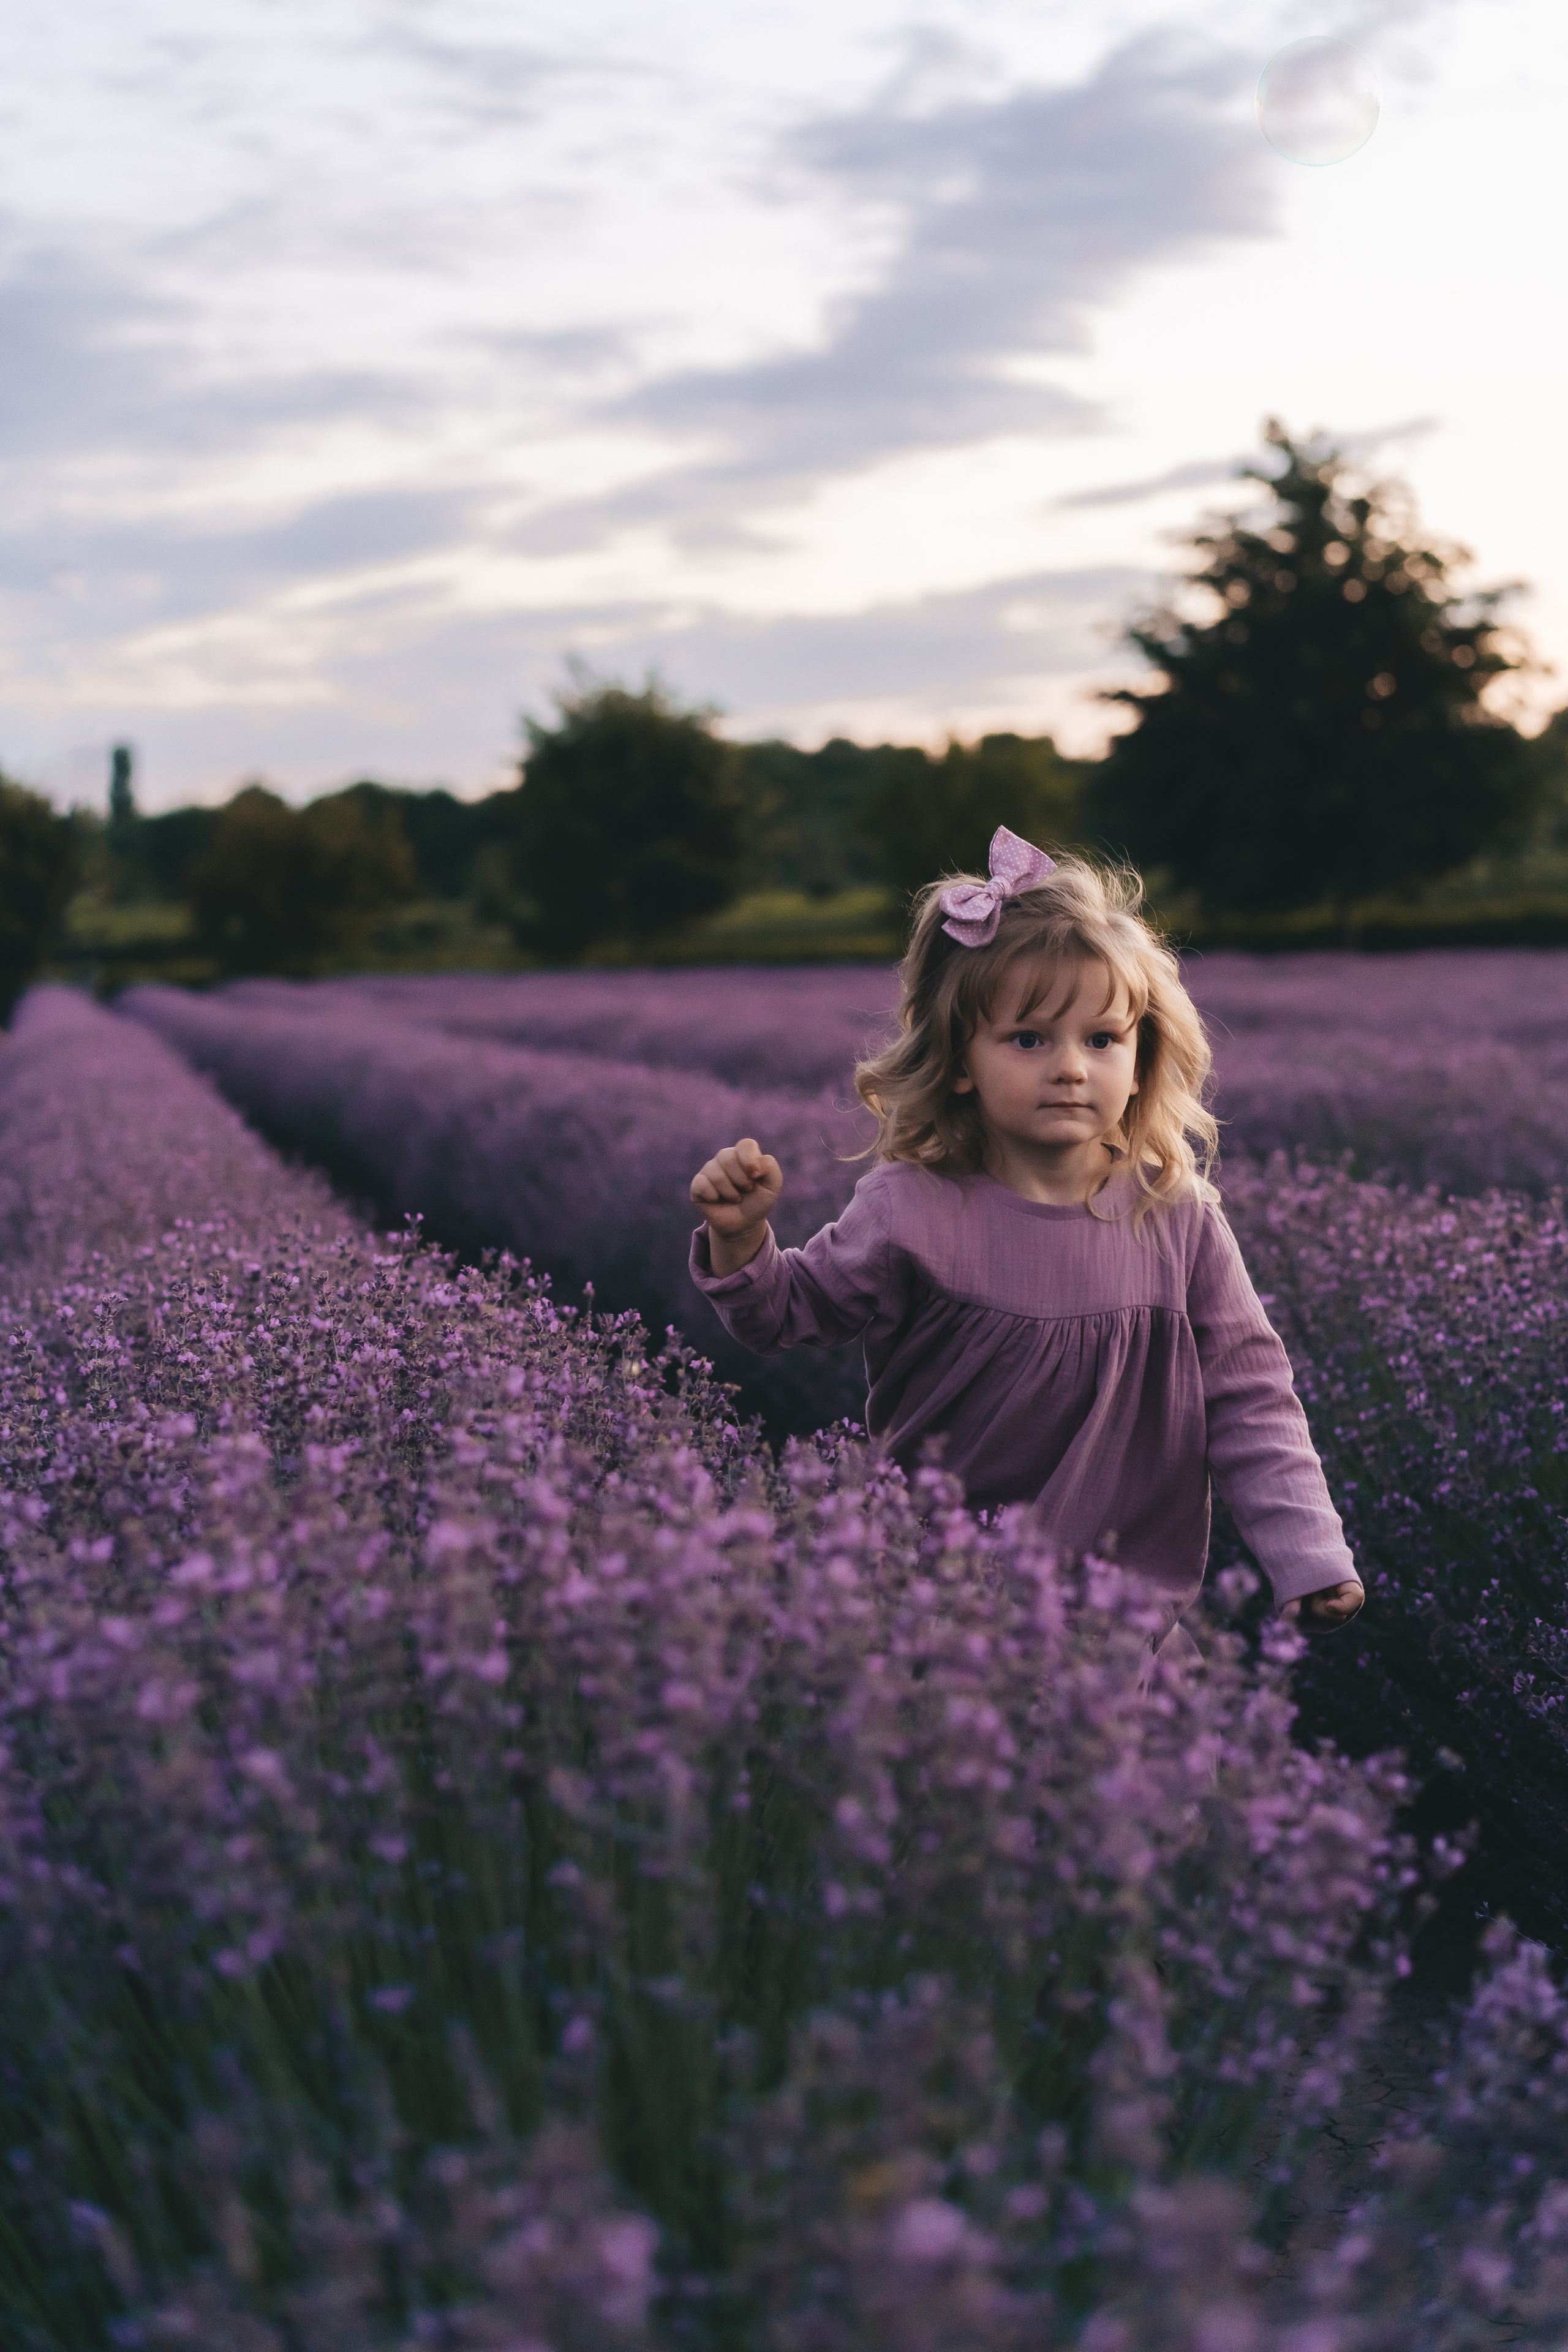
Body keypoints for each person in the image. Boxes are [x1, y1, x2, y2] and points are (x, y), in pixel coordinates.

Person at [688, 828, 1363, 1648]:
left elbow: (1251, 1397)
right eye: (1030, 1039)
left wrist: (1309, 1555)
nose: (1071, 1067)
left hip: (1121, 1613)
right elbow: (786, 1314)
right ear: (961, 1059)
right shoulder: (913, 1207)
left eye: (1103, 1039)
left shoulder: (1174, 1216)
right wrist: (742, 1238)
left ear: (1142, 1054)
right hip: (938, 1598)